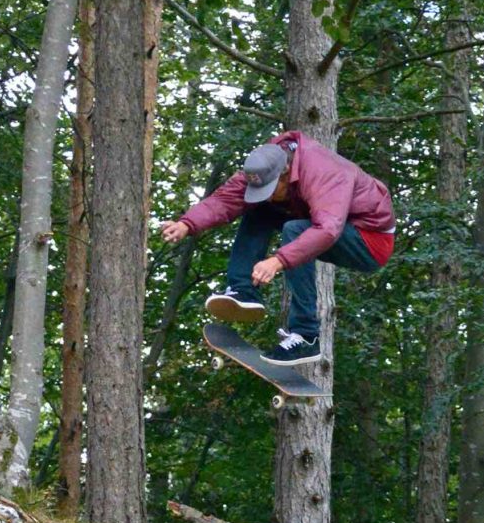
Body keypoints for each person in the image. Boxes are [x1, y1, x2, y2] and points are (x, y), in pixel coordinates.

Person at [160, 133, 395, 360]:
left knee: (295, 230)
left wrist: (277, 261)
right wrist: (186, 224)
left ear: (285, 174)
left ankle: (306, 336)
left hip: (370, 240)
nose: (269, 197)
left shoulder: (323, 173)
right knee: (259, 210)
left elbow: (327, 229)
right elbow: (225, 200)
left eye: (271, 191)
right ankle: (243, 290)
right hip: (328, 223)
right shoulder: (264, 165)